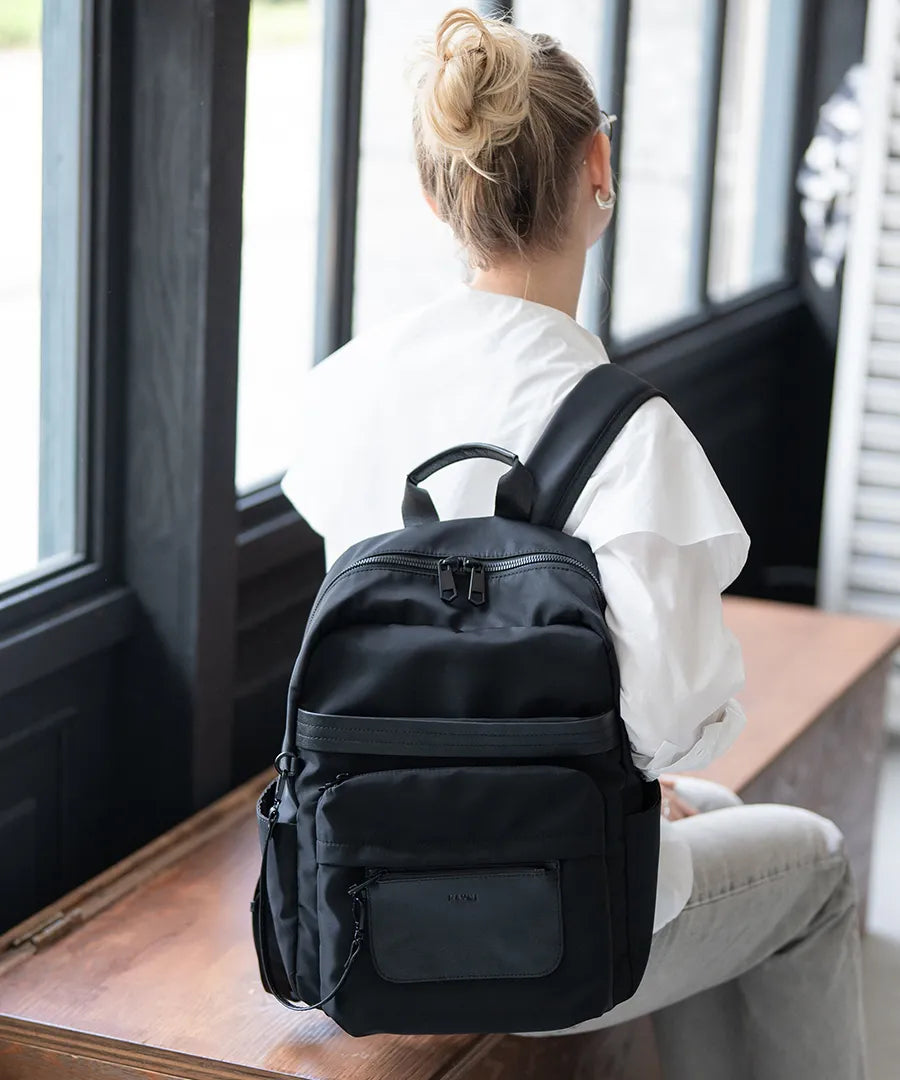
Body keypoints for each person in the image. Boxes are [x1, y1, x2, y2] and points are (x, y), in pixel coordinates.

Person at [282, 9, 866, 1078]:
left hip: (364, 901)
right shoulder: (629, 433)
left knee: (713, 816)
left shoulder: (344, 391)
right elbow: (677, 722)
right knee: (815, 864)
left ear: (435, 194)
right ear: (600, 168)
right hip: (555, 928)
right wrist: (644, 760)